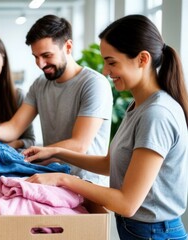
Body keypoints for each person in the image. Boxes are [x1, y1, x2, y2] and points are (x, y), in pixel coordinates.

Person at [24, 14, 188, 239]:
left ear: (142, 59)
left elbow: (127, 203)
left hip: (155, 233)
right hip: (139, 230)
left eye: (111, 62)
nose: (105, 71)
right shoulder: (137, 106)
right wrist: (56, 151)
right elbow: (109, 164)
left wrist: (63, 179)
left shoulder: (156, 114)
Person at [0, 15, 113, 185]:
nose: (40, 64)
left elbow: (79, 144)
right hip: (52, 180)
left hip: (88, 185)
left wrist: (37, 153)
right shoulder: (40, 84)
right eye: (35, 56)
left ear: (68, 47)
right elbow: (15, 126)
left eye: (47, 55)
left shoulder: (94, 84)